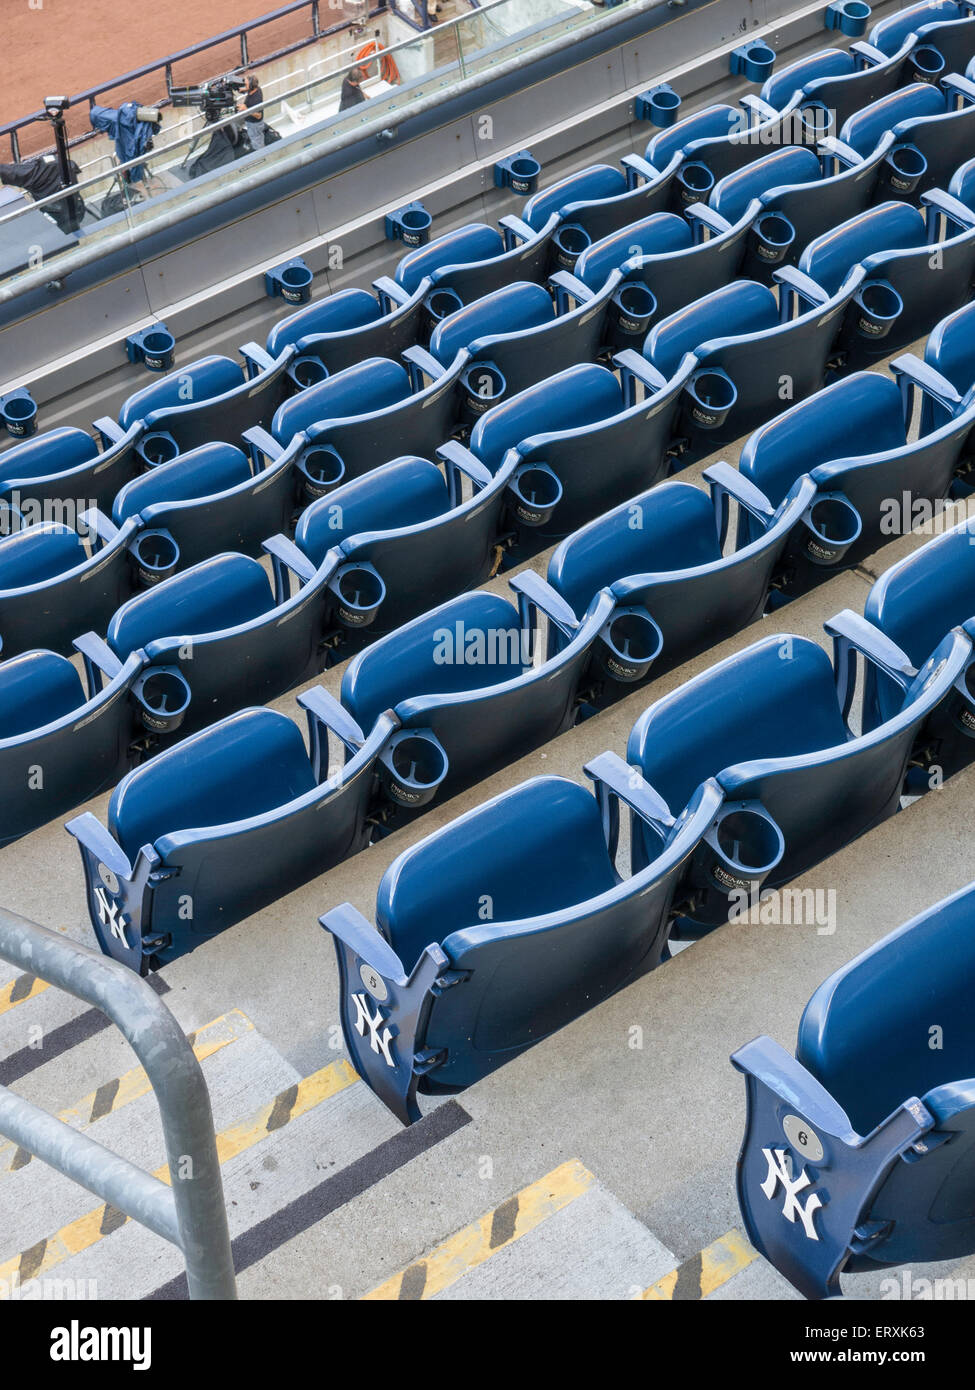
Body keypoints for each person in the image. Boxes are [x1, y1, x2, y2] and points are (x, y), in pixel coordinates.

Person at [240, 74, 266, 149]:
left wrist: (246, 109)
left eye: (246, 84)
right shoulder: (256, 88)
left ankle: (261, 156)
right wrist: (244, 90)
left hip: (254, 124)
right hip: (249, 120)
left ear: (251, 86)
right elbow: (251, 88)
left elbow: (259, 115)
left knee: (257, 140)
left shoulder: (256, 99)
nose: (245, 85)